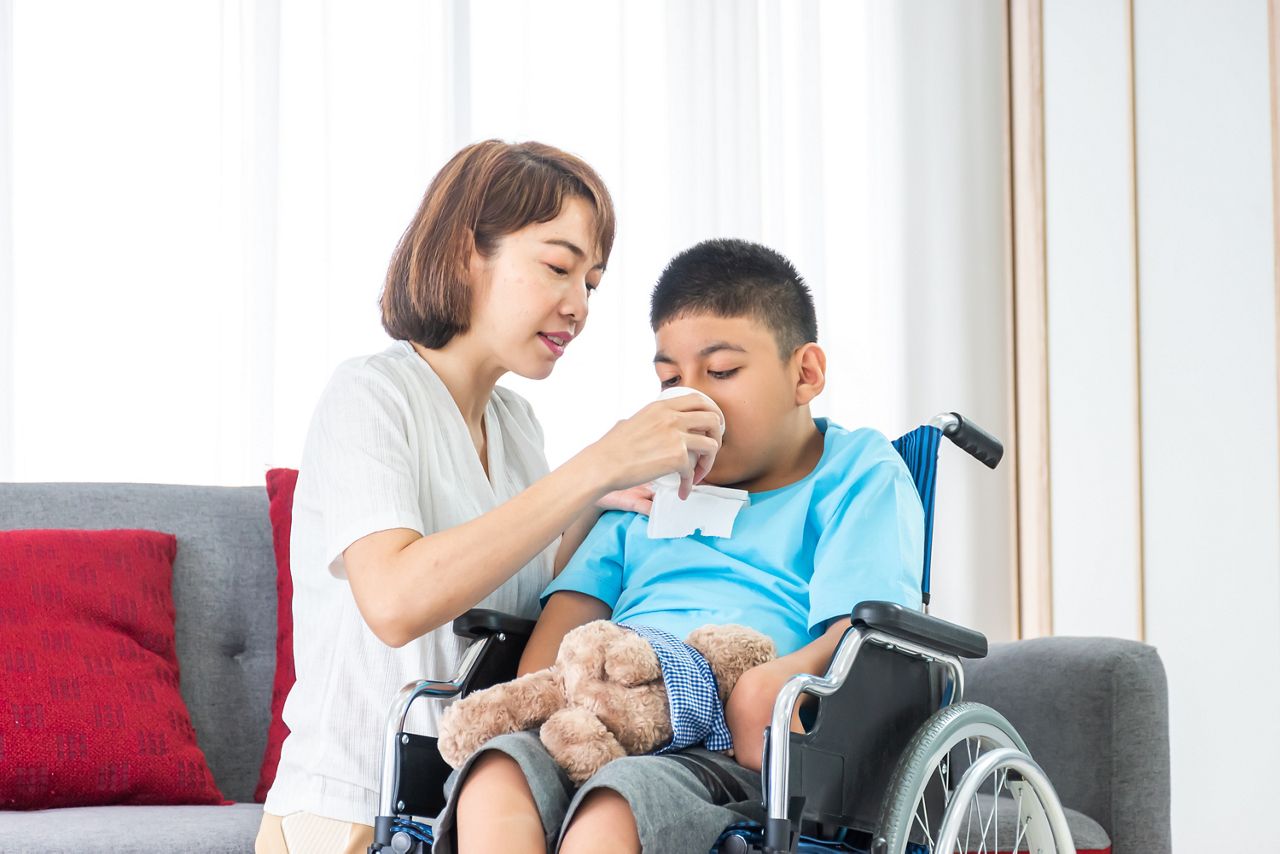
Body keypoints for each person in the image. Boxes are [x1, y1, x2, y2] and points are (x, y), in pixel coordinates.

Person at [255, 141, 725, 854]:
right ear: (468, 252)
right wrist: (592, 467)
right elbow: (395, 602)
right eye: (559, 267)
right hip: (345, 809)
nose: (578, 306)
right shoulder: (371, 395)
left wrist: (601, 497)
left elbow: (515, 591)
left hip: (450, 804)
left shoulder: (513, 425)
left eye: (593, 283)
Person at [436, 238, 925, 854]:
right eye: (671, 380)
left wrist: (764, 690)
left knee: (618, 804)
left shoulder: (856, 471)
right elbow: (554, 646)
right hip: (593, 722)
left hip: (730, 750)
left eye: (721, 372)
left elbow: (862, 637)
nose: (691, 402)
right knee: (496, 772)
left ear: (805, 374)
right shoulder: (646, 489)